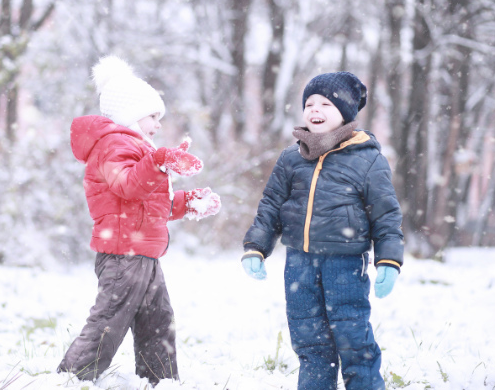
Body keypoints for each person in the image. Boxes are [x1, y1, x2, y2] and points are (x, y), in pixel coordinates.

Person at [59, 55, 221, 386]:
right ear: (130, 113)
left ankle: (160, 380)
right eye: (153, 116)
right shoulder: (112, 145)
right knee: (110, 320)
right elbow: (128, 186)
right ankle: (72, 378)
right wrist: (160, 161)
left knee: (157, 320)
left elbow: (148, 204)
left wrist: (188, 202)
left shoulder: (138, 149)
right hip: (123, 255)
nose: (158, 125)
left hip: (143, 253)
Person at [240, 72, 403, 390]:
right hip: (299, 264)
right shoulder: (291, 158)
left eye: (326, 104)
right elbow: (271, 206)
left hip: (345, 264)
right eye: (309, 103)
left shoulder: (368, 159)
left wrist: (389, 260)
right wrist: (255, 247)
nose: (315, 109)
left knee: (353, 339)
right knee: (310, 342)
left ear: (345, 112)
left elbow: (386, 216)